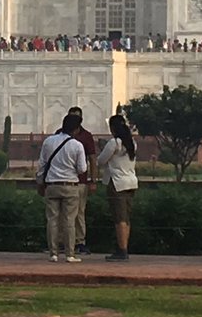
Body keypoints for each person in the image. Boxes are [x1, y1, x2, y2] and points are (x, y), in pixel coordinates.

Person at [36, 113, 87, 263]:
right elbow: (82, 169)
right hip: (70, 185)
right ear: (76, 129)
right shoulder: (77, 145)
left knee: (52, 219)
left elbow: (42, 165)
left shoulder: (49, 142)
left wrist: (40, 182)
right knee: (69, 220)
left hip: (52, 185)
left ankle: (53, 253)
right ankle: (70, 254)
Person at [97, 114, 138, 261]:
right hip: (131, 182)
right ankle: (124, 247)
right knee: (126, 218)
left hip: (117, 183)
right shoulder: (132, 142)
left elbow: (101, 161)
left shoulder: (114, 143)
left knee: (119, 218)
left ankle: (122, 250)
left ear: (113, 128)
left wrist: (102, 148)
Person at [65, 105, 97, 255]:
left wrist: (93, 180)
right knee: (61, 213)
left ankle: (80, 241)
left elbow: (92, 158)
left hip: (80, 181)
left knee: (79, 212)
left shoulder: (86, 136)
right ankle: (60, 242)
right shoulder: (59, 135)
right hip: (62, 179)